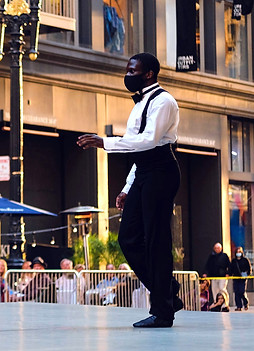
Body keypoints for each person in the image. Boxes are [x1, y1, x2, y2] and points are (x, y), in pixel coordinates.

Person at [77, 52, 182, 328]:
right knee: (128, 238)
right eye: (127, 70)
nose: (127, 74)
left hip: (162, 171)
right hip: (145, 171)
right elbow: (138, 150)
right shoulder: (139, 105)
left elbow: (148, 142)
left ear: (148, 73)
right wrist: (127, 187)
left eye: (132, 70)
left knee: (157, 239)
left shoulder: (164, 101)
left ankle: (163, 312)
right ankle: (168, 290)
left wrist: (105, 142)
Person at [230, 246, 251, 311]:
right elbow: (231, 269)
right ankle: (238, 306)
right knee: (236, 292)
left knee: (241, 291)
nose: (238, 253)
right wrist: (229, 274)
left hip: (243, 278)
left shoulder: (245, 260)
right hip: (236, 278)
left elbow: (249, 269)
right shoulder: (234, 261)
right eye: (237, 252)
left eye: (239, 252)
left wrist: (247, 274)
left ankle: (245, 303)